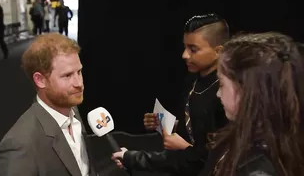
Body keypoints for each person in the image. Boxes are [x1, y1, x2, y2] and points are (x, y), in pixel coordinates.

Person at [112, 13, 229, 176]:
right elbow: (195, 129)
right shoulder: (192, 80)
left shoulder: (226, 96)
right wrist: (166, 125)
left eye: (193, 49)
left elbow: (218, 158)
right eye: (185, 47)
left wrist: (185, 148)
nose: (185, 55)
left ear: (218, 51)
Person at [199, 32, 304, 176]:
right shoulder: (239, 135)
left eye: (221, 84)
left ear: (247, 90)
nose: (218, 94)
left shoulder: (258, 170)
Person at [0, 33, 97, 176]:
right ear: (40, 80)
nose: (79, 83)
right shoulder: (19, 146)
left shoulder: (71, 106)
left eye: (79, 72)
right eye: (67, 76)